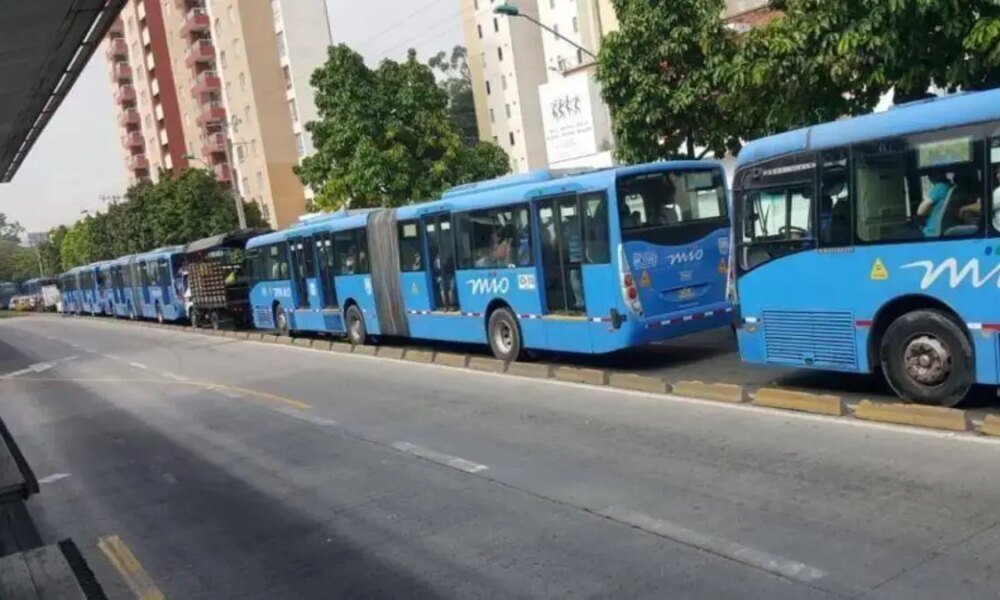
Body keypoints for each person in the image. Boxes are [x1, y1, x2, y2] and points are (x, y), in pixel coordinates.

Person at [917, 173, 954, 237]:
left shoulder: (941, 186)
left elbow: (920, 211)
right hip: (940, 230)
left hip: (931, 232)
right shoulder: (950, 186)